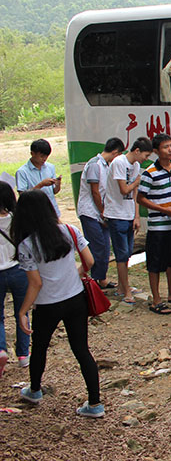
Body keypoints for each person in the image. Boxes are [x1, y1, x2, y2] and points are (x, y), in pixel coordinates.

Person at [13, 191, 103, 418]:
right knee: (82, 350)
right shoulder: (70, 231)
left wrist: (22, 311)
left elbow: (35, 283)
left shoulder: (27, 244)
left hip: (47, 304)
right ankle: (95, 404)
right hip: (75, 299)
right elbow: (90, 261)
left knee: (40, 348)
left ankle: (34, 390)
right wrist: (76, 274)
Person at [136, 133, 171, 315]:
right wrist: (163, 209)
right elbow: (141, 198)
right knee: (155, 262)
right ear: (156, 151)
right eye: (166, 147)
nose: (170, 149)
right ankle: (156, 299)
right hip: (158, 225)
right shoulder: (149, 173)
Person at [104, 137, 152, 304]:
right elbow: (124, 188)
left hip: (128, 213)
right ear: (137, 151)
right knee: (122, 255)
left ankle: (122, 287)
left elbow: (134, 193)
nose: (146, 159)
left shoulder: (136, 165)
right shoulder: (119, 162)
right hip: (116, 214)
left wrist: (136, 216)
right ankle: (125, 290)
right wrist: (137, 181)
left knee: (127, 253)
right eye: (145, 155)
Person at [76, 137, 124, 289]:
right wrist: (103, 211)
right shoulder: (95, 165)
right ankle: (91, 279)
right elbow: (95, 192)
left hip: (101, 211)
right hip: (90, 212)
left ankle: (100, 278)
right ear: (115, 152)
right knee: (98, 246)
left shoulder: (106, 165)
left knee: (104, 247)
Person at [0, 183, 28, 375]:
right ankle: (23, 354)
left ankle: (1, 349)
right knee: (22, 312)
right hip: (18, 269)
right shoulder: (17, 219)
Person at [15, 138, 61, 217]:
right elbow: (23, 196)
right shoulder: (22, 172)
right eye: (42, 156)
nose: (44, 159)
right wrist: (41, 185)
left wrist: (58, 185)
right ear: (32, 153)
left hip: (51, 210)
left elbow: (54, 192)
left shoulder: (50, 167)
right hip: (34, 213)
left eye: (46, 156)